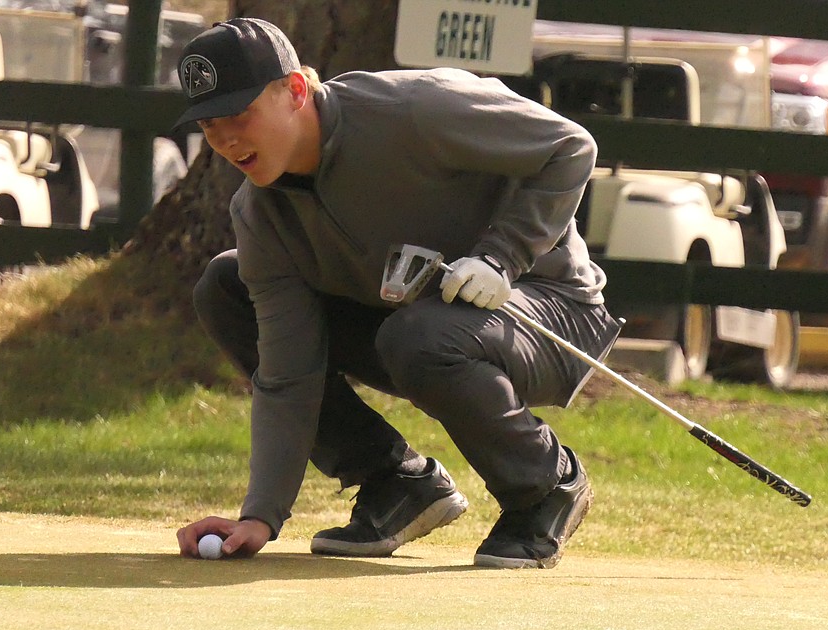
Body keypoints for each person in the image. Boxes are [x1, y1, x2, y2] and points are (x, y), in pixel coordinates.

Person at [172, 18, 619, 569]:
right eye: (211, 126)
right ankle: (396, 483)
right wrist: (260, 515)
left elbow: (571, 148)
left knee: (419, 336)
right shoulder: (259, 215)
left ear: (293, 91)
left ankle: (544, 486)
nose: (227, 140)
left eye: (239, 115)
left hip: (553, 309)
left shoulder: (415, 110)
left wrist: (501, 256)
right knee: (225, 286)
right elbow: (288, 373)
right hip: (414, 326)